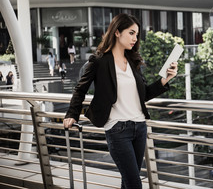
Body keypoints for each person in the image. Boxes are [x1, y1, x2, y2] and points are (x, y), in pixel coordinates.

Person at [63, 13, 178, 189]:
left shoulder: (133, 61)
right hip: (117, 130)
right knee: (134, 184)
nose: (135, 38)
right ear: (117, 32)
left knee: (128, 182)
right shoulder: (99, 61)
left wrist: (165, 80)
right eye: (131, 33)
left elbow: (143, 94)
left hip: (139, 127)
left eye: (137, 34)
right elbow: (81, 88)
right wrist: (72, 113)